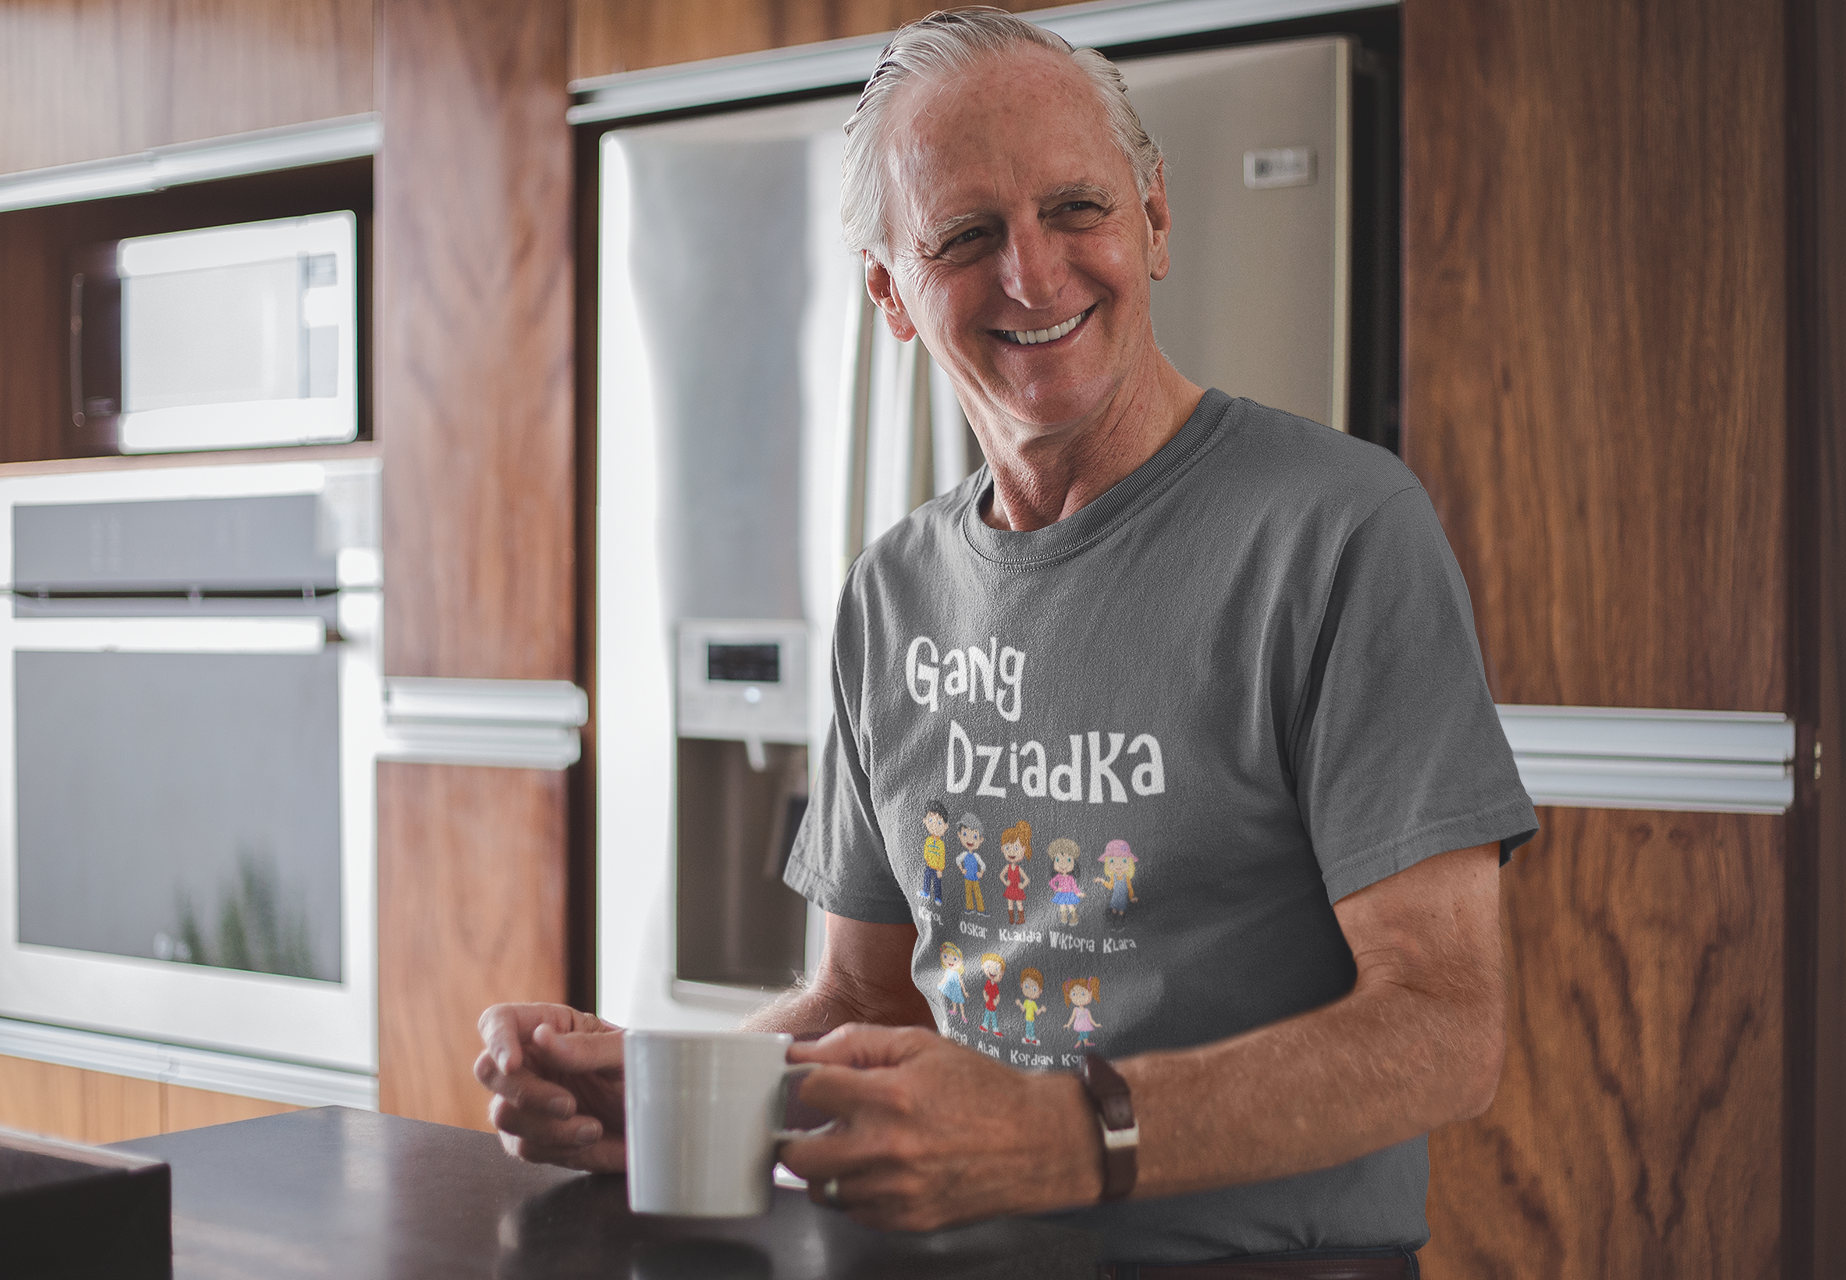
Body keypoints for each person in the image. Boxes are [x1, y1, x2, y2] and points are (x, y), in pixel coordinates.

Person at [475, 9, 1535, 1272]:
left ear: (1153, 218)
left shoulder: (1339, 533)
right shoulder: (892, 592)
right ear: (891, 292)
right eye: (966, 236)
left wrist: (1062, 1138)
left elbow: (1444, 1025)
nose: (1032, 275)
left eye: (1077, 209)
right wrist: (654, 1100)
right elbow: (866, 998)